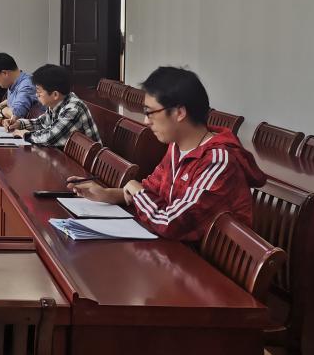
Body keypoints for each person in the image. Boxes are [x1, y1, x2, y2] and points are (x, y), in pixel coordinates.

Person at [67, 66, 265, 243]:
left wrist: (137, 191)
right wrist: (107, 194)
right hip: (176, 252)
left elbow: (172, 223)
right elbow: (151, 191)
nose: (146, 121)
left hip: (205, 266)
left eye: (150, 112)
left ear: (179, 113)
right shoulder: (177, 147)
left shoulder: (218, 161)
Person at [3, 64, 100, 146]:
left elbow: (50, 137)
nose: (36, 95)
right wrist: (19, 124)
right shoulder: (58, 103)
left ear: (55, 95)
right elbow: (41, 123)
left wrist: (25, 135)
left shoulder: (73, 109)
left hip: (83, 161)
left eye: (39, 92)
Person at [0, 52, 41, 120]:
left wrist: (1, 108)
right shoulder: (14, 82)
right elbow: (14, 99)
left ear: (4, 73)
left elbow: (16, 114)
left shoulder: (26, 85)